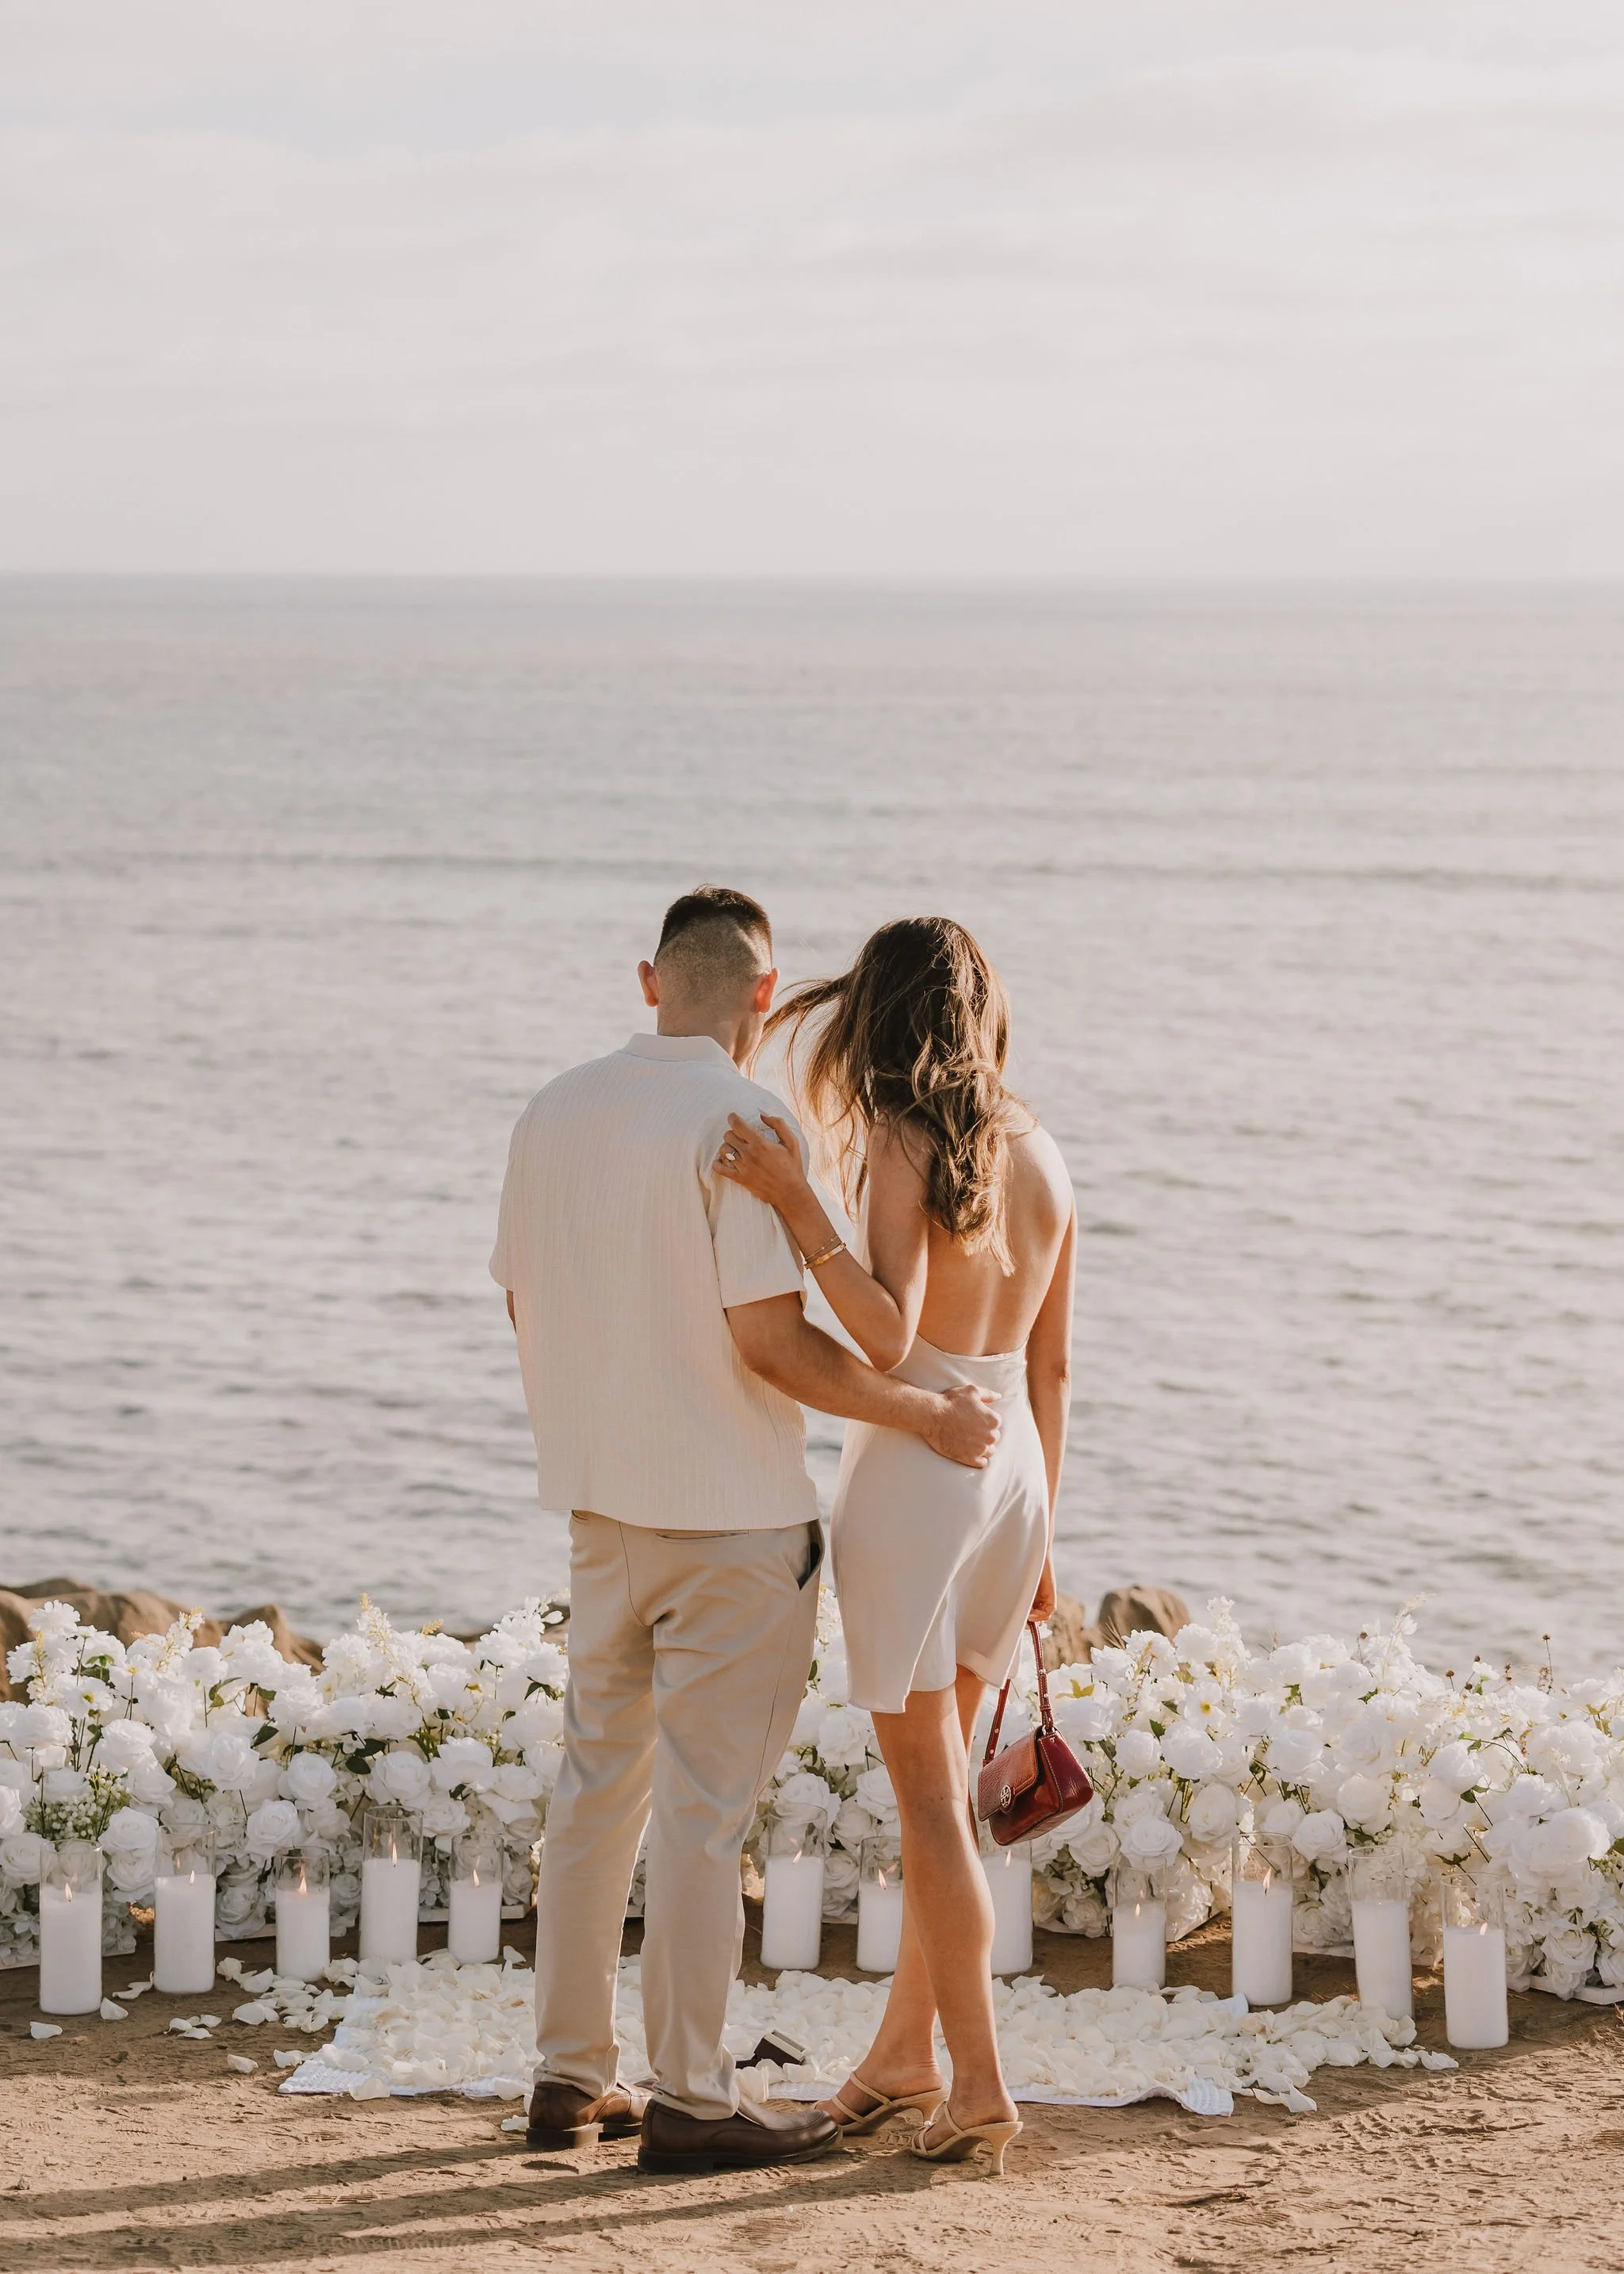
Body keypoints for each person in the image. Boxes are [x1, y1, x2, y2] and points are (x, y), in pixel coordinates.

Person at [491, 886, 1002, 2176]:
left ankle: (568, 2077)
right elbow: (775, 1346)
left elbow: (521, 1301)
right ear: (766, 997)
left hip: (600, 1512)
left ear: (650, 981)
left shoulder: (550, 1110)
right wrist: (921, 1413)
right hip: (732, 1525)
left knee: (595, 1796)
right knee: (705, 1817)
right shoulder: (749, 1117)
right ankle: (695, 2098)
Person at [712, 915, 1075, 2177]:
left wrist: (794, 1200)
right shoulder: (1046, 1154)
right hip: (1013, 1471)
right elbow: (1053, 1365)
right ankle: (904, 2060)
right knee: (946, 1801)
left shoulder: (906, 1145)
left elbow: (879, 1336)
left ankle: (978, 2089)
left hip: (925, 1475)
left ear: (885, 1017)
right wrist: (1043, 1545)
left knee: (928, 1802)